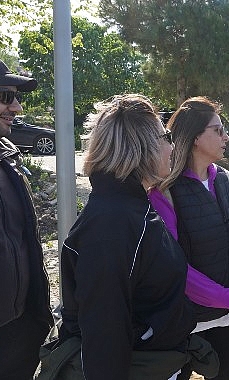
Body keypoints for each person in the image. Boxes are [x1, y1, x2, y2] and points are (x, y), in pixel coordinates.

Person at [58, 94, 208, 379]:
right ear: (142, 146)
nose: (172, 146)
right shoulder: (112, 225)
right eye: (166, 136)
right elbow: (104, 337)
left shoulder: (131, 207)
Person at [150, 96, 229, 380]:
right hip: (188, 320)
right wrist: (228, 297)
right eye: (218, 130)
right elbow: (175, 267)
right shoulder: (165, 193)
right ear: (196, 137)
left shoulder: (225, 179)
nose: (226, 136)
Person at [0, 51, 53, 378]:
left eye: (17, 98)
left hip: (20, 338)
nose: (17, 108)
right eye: (4, 96)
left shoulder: (7, 160)